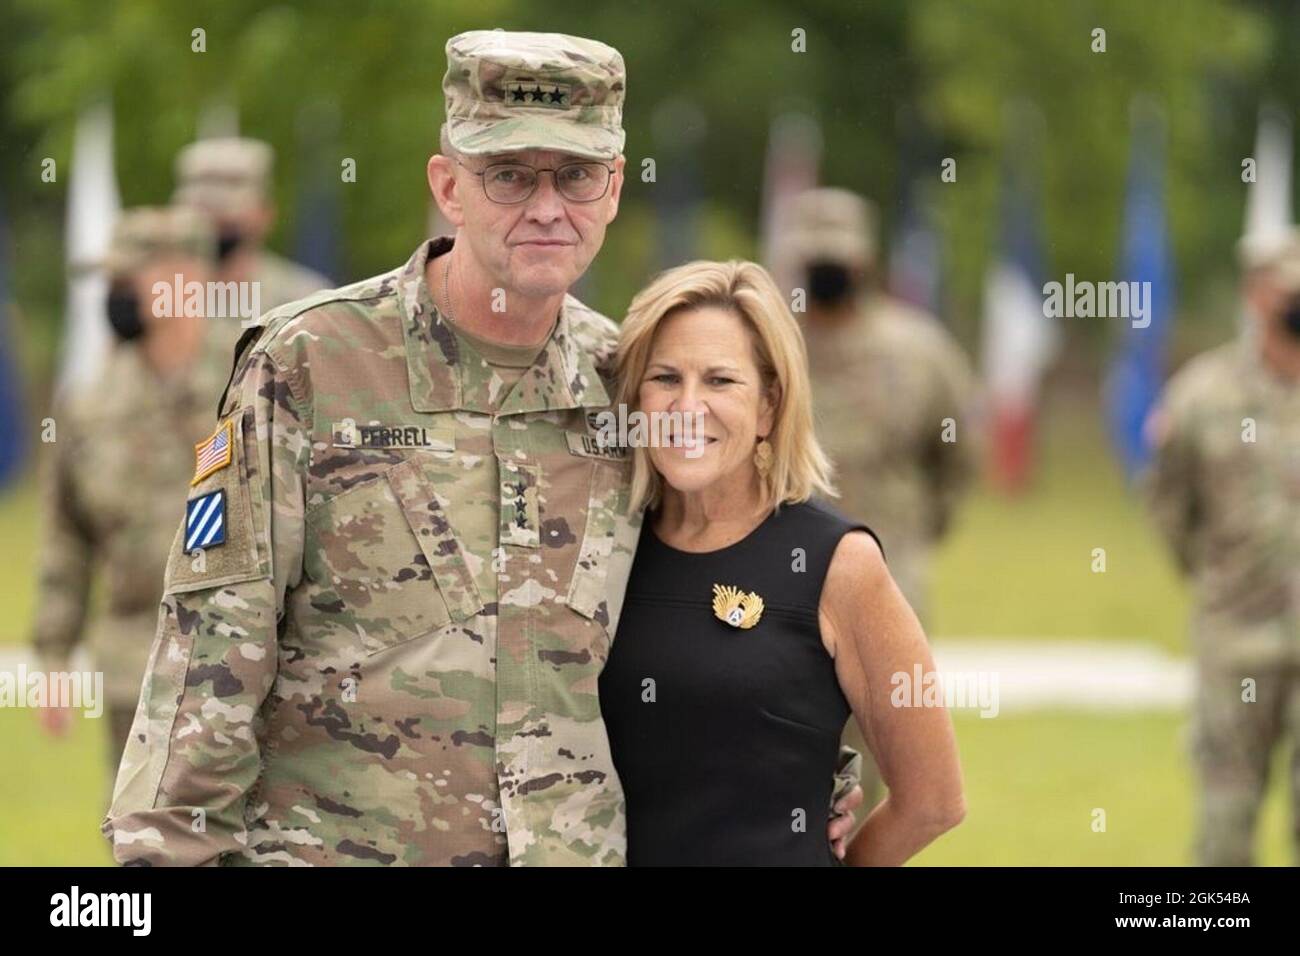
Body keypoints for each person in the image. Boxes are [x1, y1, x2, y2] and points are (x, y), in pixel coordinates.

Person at [103, 29, 860, 867]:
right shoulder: (309, 364)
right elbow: (212, 649)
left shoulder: (632, 386)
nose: (546, 207)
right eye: (508, 174)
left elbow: (729, 576)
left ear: (613, 188)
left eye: (575, 175)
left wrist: (807, 770)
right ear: (448, 187)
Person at [599, 259, 966, 865]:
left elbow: (934, 799)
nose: (687, 406)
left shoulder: (838, 565)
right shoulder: (598, 551)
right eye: (665, 377)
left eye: (721, 381)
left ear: (769, 406)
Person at [770, 187, 981, 816]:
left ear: (865, 260)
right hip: (774, 590)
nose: (828, 271)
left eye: (838, 257)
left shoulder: (919, 351)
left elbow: (958, 459)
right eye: (816, 258)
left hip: (889, 589)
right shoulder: (767, 347)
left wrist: (914, 540)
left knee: (872, 776)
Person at [32, 207, 220, 792]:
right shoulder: (90, 405)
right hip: (131, 670)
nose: (113, 297)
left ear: (182, 281)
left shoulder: (247, 383)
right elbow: (66, 538)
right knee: (142, 842)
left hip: (237, 665)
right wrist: (54, 659)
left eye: (126, 279)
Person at [1143, 229, 1300, 867]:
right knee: (1225, 831)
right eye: (1283, 289)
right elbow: (1168, 502)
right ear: (1255, 294)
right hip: (1236, 637)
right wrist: (1212, 575)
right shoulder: (1203, 394)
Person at [172, 136, 330, 353]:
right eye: (203, 215)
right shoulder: (161, 298)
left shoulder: (304, 300)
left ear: (265, 214)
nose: (213, 227)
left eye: (227, 219)